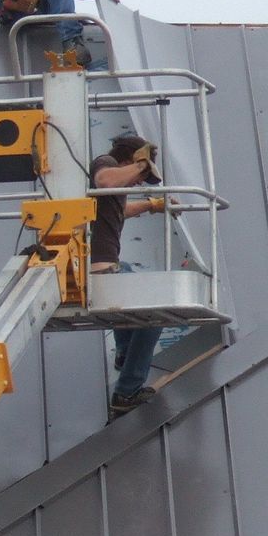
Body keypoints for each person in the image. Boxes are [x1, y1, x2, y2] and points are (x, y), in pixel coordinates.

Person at [89, 135, 167, 415]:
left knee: (130, 286)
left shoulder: (113, 183)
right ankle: (127, 391)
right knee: (155, 317)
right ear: (132, 160)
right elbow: (106, 181)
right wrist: (141, 167)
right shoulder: (106, 163)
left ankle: (124, 354)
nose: (138, 182)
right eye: (140, 175)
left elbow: (119, 209)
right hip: (100, 268)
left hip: (107, 267)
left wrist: (151, 205)